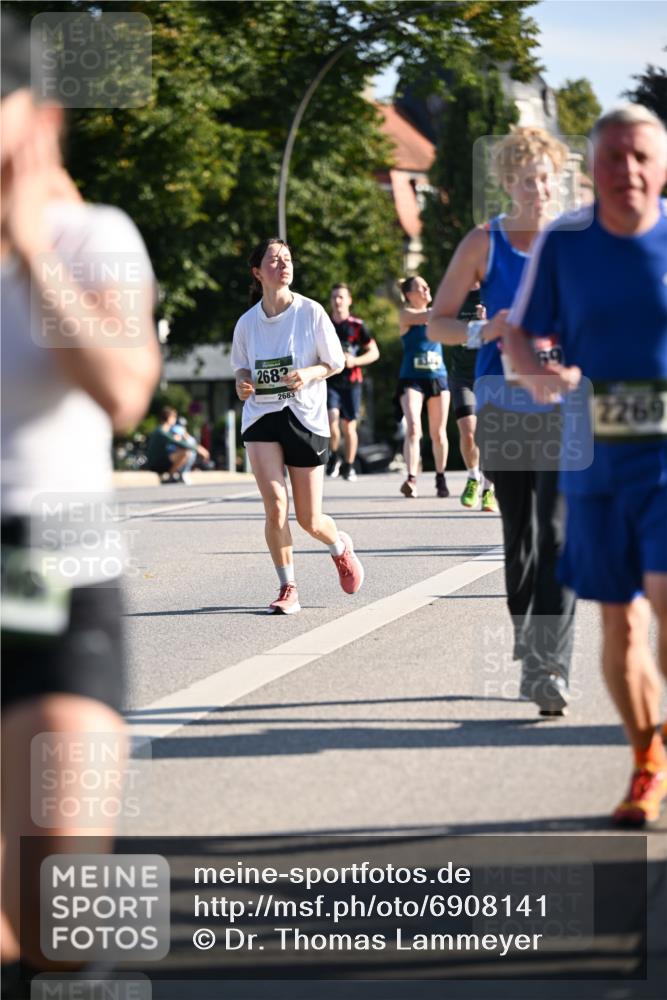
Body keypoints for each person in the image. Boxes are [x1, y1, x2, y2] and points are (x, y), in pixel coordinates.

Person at [1, 12, 161, 992]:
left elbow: (125, 386)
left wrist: (28, 245)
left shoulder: (93, 236)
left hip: (55, 553)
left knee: (64, 898)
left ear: (39, 118)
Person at [504, 105, 667, 825]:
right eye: (612, 158)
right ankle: (646, 761)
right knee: (620, 628)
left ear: (659, 168)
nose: (625, 171)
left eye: (639, 157)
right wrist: (545, 379)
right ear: (592, 169)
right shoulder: (565, 245)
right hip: (595, 457)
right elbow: (520, 333)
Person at [428, 126, 576, 716]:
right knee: (521, 539)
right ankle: (529, 641)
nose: (538, 188)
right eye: (526, 179)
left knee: (559, 535)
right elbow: (437, 321)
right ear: (508, 183)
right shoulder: (483, 242)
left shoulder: (575, 240)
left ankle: (549, 667)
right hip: (504, 403)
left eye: (546, 177)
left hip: (568, 400)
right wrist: (481, 329)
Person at [231, 238, 364, 614]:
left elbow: (335, 361)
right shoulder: (247, 323)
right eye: (274, 260)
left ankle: (338, 545)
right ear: (258, 272)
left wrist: (309, 373)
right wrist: (243, 383)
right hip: (261, 416)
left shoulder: (311, 312)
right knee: (275, 506)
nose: (283, 264)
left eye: (287, 258)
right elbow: (242, 366)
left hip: (304, 417)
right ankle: (288, 587)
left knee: (309, 519)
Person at [397, 275, 451, 499]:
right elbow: (430, 315)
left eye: (428, 285)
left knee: (438, 433)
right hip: (412, 379)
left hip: (438, 377)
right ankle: (411, 479)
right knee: (413, 428)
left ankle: (440, 477)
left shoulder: (437, 315)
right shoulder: (406, 315)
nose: (427, 288)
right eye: (421, 287)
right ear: (409, 294)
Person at [448, 284, 497, 511]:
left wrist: (488, 321)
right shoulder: (455, 294)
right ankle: (473, 477)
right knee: (468, 432)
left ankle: (489, 489)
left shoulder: (495, 291)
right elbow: (441, 330)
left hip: (490, 374)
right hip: (462, 376)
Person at [326, 283, 379, 481]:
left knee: (349, 428)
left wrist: (354, 361)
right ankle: (333, 457)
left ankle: (349, 465)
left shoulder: (357, 326)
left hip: (352, 381)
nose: (337, 301)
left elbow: (374, 352)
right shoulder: (325, 324)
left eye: (341, 297)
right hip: (330, 380)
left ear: (349, 300)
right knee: (332, 423)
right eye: (334, 298)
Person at [146, 405, 207, 483]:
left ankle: (176, 474)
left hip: (162, 460)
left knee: (181, 450)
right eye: (174, 417)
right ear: (169, 418)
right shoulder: (161, 432)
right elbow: (179, 442)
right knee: (185, 453)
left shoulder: (165, 430)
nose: (175, 419)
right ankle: (170, 477)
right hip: (156, 463)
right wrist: (198, 449)